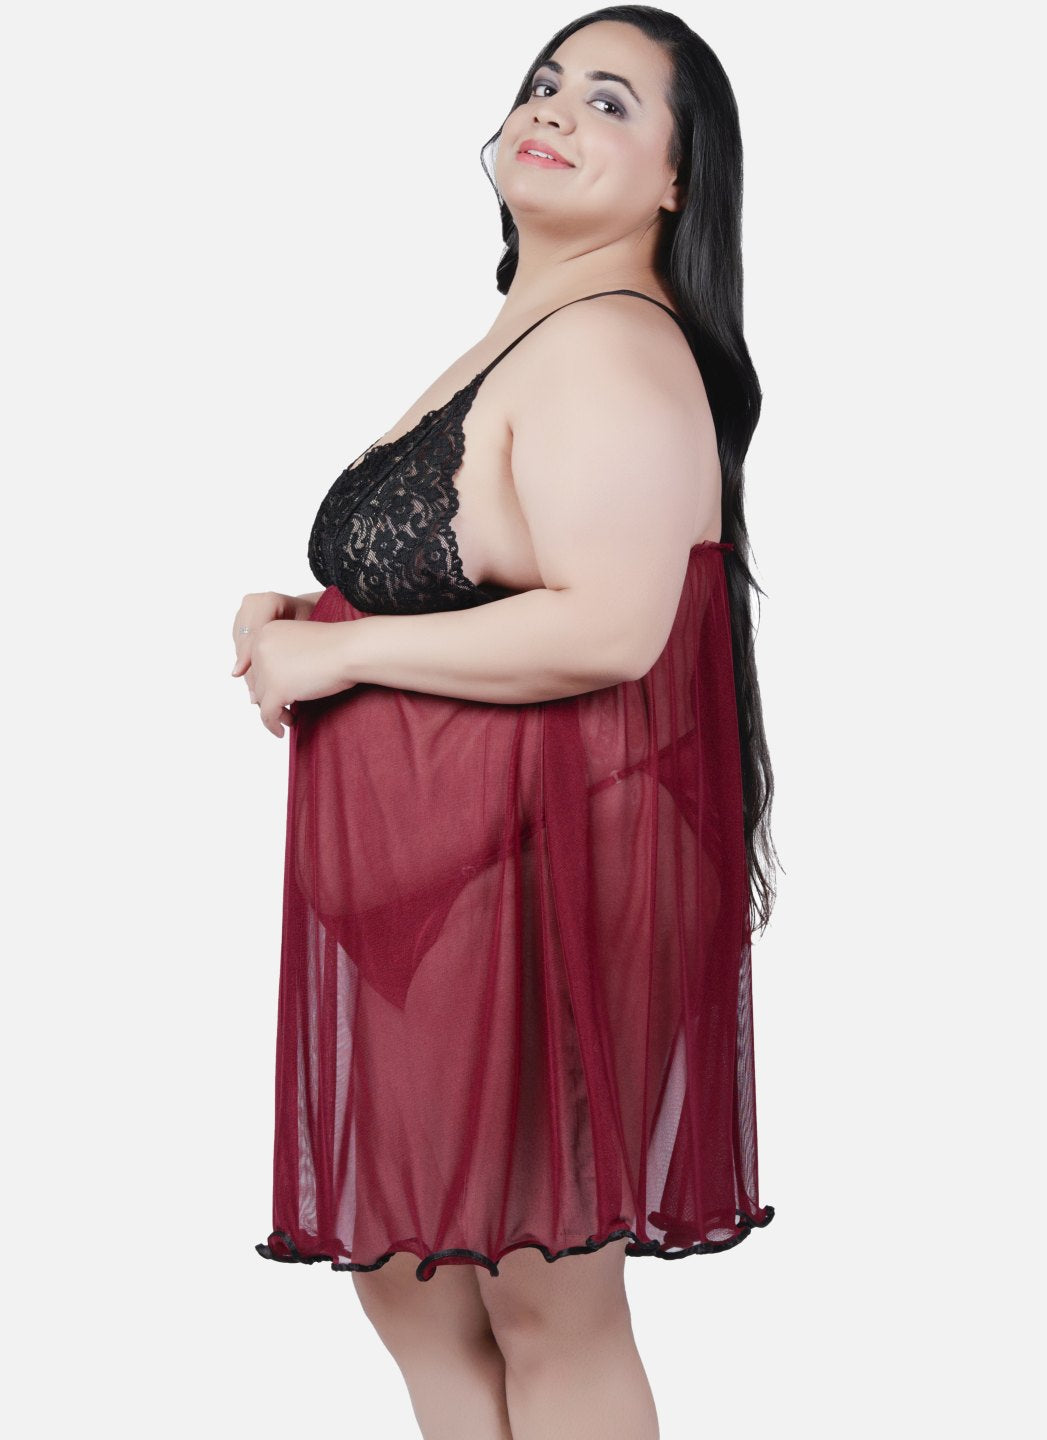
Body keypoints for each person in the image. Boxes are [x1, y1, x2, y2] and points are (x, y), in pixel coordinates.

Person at [233, 9, 779, 1439]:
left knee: (546, 1298)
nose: (555, 110)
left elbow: (610, 626)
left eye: (611, 102)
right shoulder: (527, 336)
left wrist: (342, 659)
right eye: (546, 83)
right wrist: (305, 612)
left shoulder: (614, 346)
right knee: (416, 1283)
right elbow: (482, 565)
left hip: (551, 874)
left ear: (680, 181)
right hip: (445, 890)